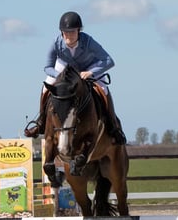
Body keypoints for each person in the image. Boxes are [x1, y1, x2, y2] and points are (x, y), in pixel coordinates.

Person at [24, 11, 127, 144]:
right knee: (45, 87)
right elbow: (48, 67)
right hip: (65, 69)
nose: (69, 35)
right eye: (66, 32)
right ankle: (41, 122)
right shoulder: (56, 43)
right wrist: (59, 76)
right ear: (62, 32)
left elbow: (108, 60)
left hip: (88, 67)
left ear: (79, 31)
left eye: (72, 32)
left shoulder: (89, 41)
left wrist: (91, 72)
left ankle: (113, 126)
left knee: (103, 89)